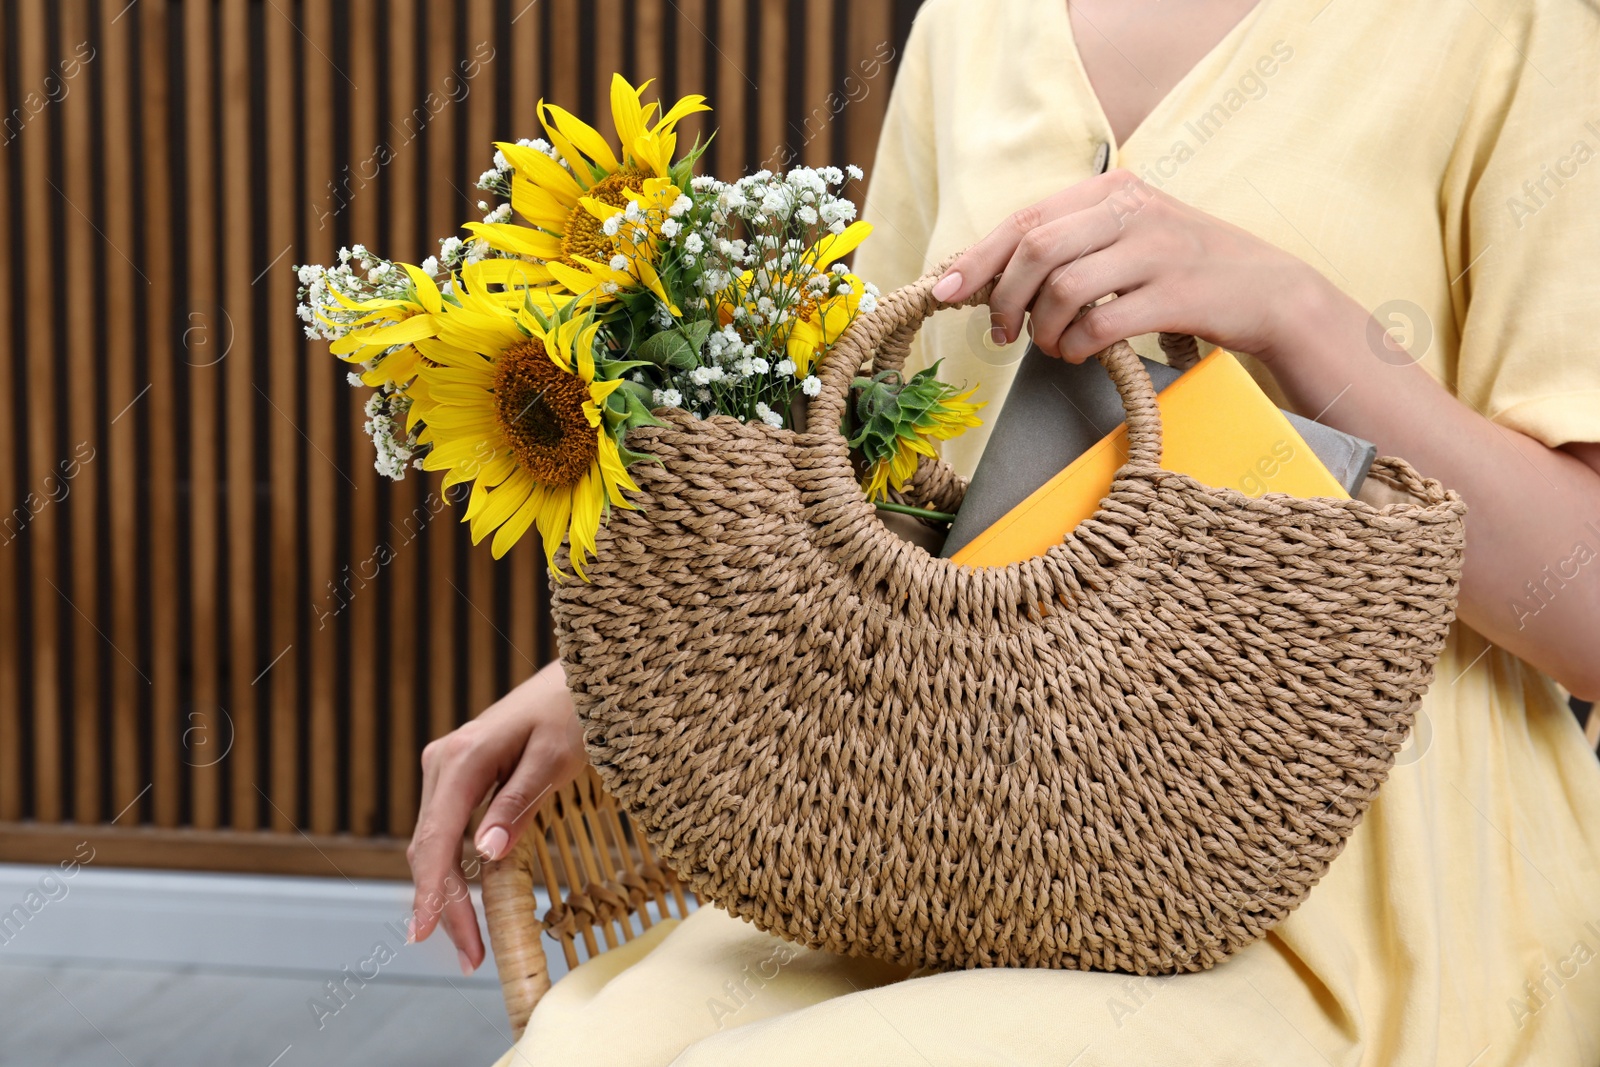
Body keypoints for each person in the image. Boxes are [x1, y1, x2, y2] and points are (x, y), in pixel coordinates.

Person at [410, 0, 1600, 1062]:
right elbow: (885, 475)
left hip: (1362, 893)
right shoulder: (974, 21)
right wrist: (603, 682)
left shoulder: (1521, 23)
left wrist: (1298, 317)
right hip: (948, 825)